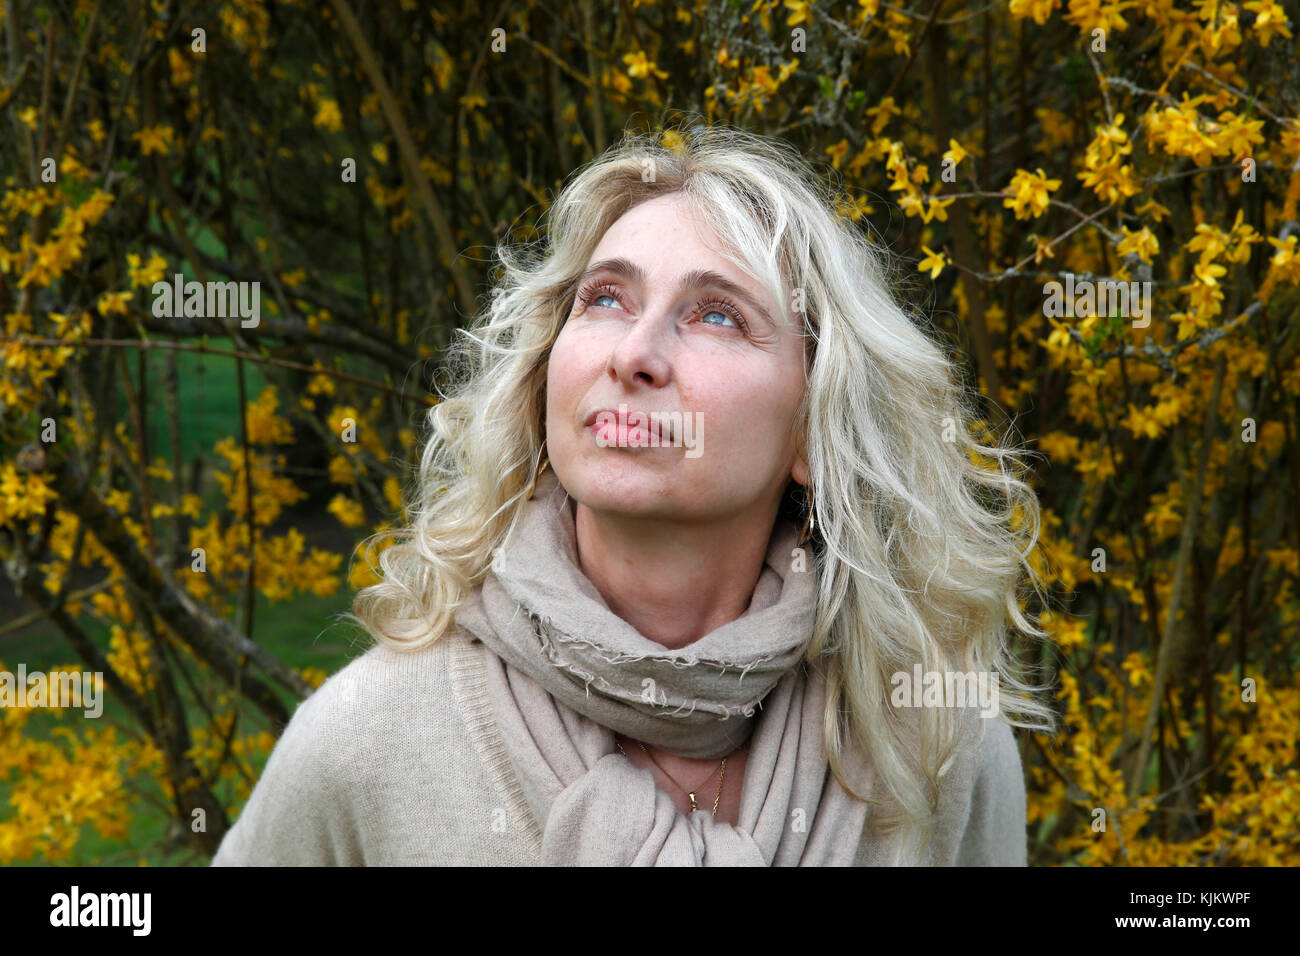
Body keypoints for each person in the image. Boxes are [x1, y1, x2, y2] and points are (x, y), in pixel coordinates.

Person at [211, 123, 1055, 867]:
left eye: (716, 315)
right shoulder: (370, 740)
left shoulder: (935, 746)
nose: (635, 354)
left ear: (811, 430)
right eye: (605, 299)